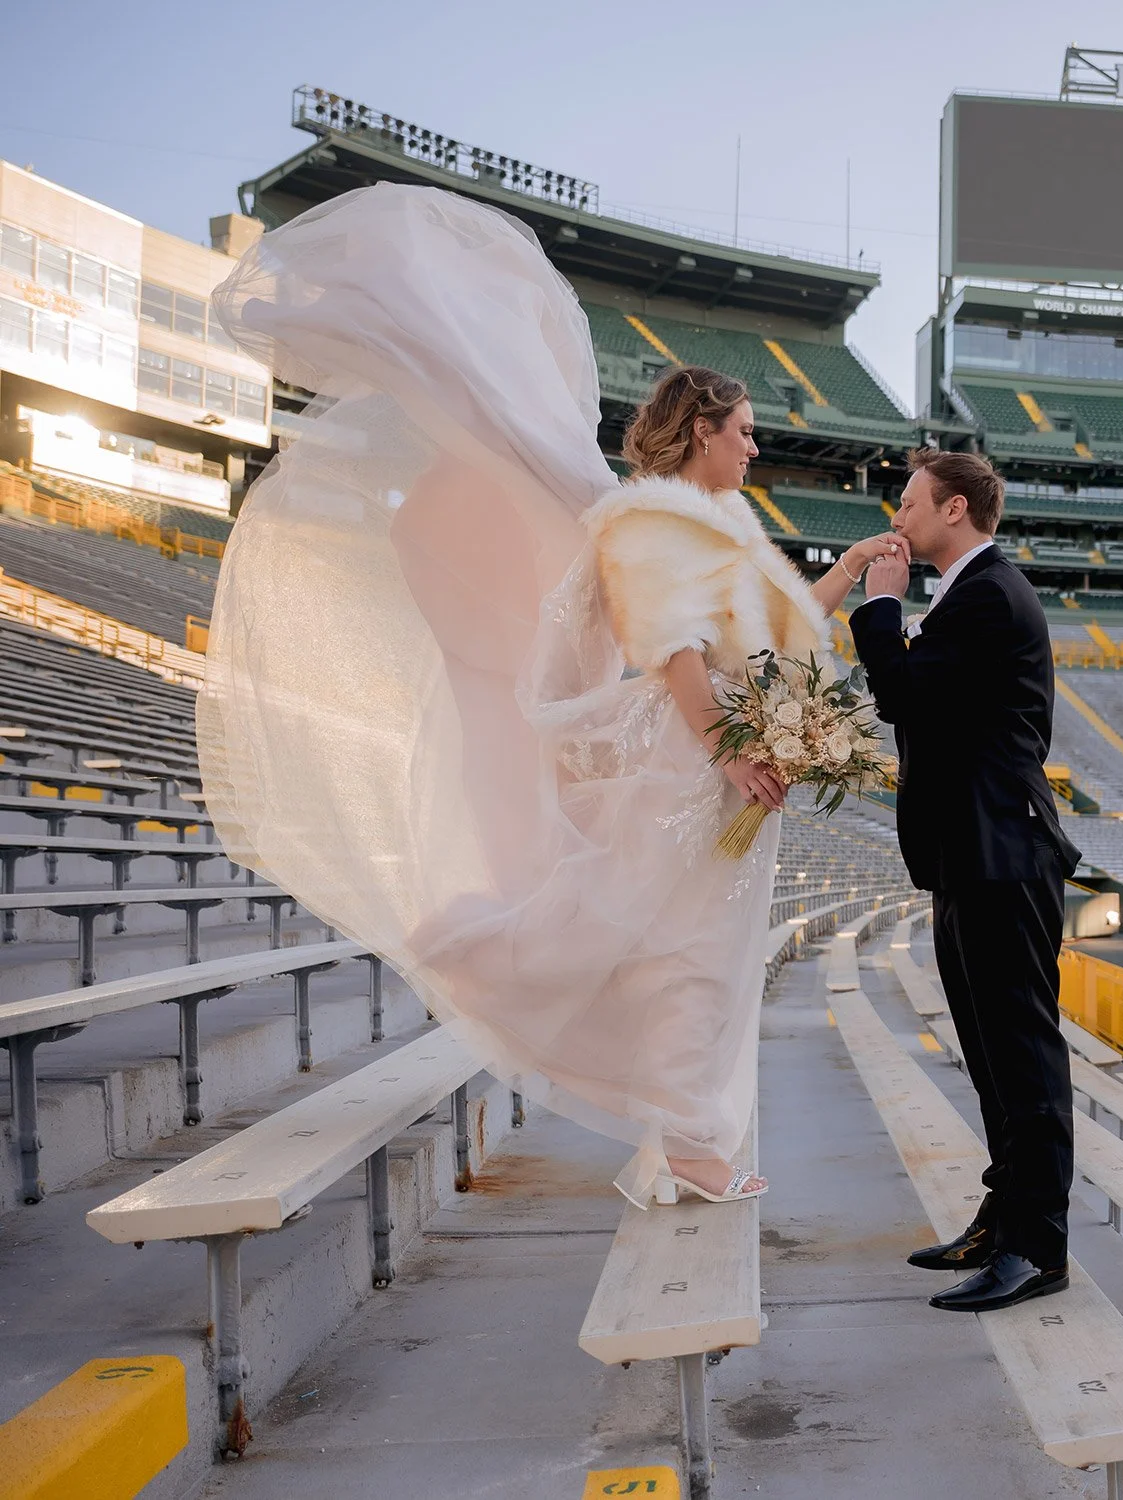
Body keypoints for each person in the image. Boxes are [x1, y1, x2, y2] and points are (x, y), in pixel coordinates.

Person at [195, 182, 901, 1211]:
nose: (757, 445)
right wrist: (734, 752)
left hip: (725, 766)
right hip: (699, 766)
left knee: (697, 946)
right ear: (702, 431)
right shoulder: (658, 520)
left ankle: (683, 1129)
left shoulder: (710, 526)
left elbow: (765, 629)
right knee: (685, 950)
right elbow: (672, 649)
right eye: (743, 428)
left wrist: (841, 584)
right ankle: (682, 1131)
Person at [850, 449, 1083, 1313]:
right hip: (970, 854)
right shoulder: (968, 591)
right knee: (991, 1058)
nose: (897, 516)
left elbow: (902, 691)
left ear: (953, 510)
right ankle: (1004, 1219)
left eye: (908, 502)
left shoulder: (989, 592)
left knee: (1022, 1057)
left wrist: (879, 604)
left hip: (1001, 855)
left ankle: (1038, 1246)